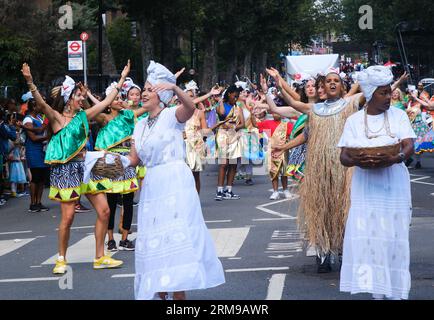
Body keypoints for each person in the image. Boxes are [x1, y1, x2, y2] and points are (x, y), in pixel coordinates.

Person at [123, 61, 225, 300]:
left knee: (175, 236)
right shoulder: (138, 126)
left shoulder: (171, 115)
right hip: (153, 185)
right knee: (155, 238)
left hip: (175, 181)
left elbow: (190, 108)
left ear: (161, 95)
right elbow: (134, 160)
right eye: (144, 89)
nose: (145, 93)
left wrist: (175, 87)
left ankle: (179, 297)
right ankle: (161, 292)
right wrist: (103, 161)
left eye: (149, 89)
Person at [21, 61, 131, 274]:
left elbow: (106, 101)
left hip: (86, 167)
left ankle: (100, 257)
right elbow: (41, 103)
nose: (83, 98)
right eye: (79, 95)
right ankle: (61, 259)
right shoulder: (57, 117)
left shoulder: (83, 116)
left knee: (105, 210)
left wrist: (122, 78)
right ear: (69, 97)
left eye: (83, 95)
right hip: (66, 171)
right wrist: (29, 81)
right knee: (68, 217)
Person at [262, 69, 365, 273]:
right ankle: (323, 252)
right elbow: (295, 110)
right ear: (323, 87)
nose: (333, 83)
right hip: (318, 170)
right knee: (321, 209)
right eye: (328, 81)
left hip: (343, 169)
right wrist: (279, 83)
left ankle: (344, 251)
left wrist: (389, 82)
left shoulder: (350, 105)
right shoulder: (314, 110)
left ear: (342, 86)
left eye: (336, 80)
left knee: (344, 210)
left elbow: (370, 93)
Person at [338, 65, 415, 300]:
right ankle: (377, 290)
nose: (388, 97)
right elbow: (343, 156)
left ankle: (396, 291)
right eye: (382, 92)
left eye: (388, 91)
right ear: (370, 95)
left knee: (394, 236)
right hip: (367, 187)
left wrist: (396, 157)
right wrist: (357, 160)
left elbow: (409, 145)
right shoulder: (353, 121)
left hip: (394, 186)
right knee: (370, 235)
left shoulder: (399, 115)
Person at [94, 82, 148, 252]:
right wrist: (88, 96)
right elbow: (91, 110)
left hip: (128, 160)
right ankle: (110, 239)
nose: (118, 100)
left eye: (119, 98)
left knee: (128, 201)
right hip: (111, 161)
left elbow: (146, 108)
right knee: (110, 201)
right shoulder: (104, 118)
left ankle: (125, 238)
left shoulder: (128, 115)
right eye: (115, 98)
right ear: (108, 102)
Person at [184, 84, 220, 194]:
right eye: (186, 96)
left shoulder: (200, 113)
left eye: (191, 96)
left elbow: (205, 131)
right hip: (182, 147)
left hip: (195, 147)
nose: (189, 98)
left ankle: (196, 200)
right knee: (183, 176)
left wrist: (216, 125)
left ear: (195, 98)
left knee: (195, 175)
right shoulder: (177, 111)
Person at [214, 85, 245, 201]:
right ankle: (219, 190)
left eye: (237, 96)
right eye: (234, 95)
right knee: (223, 164)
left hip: (234, 135)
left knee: (233, 164)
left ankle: (229, 190)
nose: (236, 98)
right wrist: (221, 100)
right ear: (229, 94)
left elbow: (243, 123)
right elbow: (221, 114)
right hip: (222, 135)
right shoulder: (221, 105)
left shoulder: (238, 108)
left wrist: (235, 127)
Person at [22, 99, 50, 212]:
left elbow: (43, 129)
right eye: (39, 105)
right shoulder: (28, 119)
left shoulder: (39, 118)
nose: (41, 106)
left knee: (42, 178)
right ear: (34, 107)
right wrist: (47, 137)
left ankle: (39, 202)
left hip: (42, 151)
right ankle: (33, 204)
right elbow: (33, 138)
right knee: (35, 177)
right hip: (33, 150)